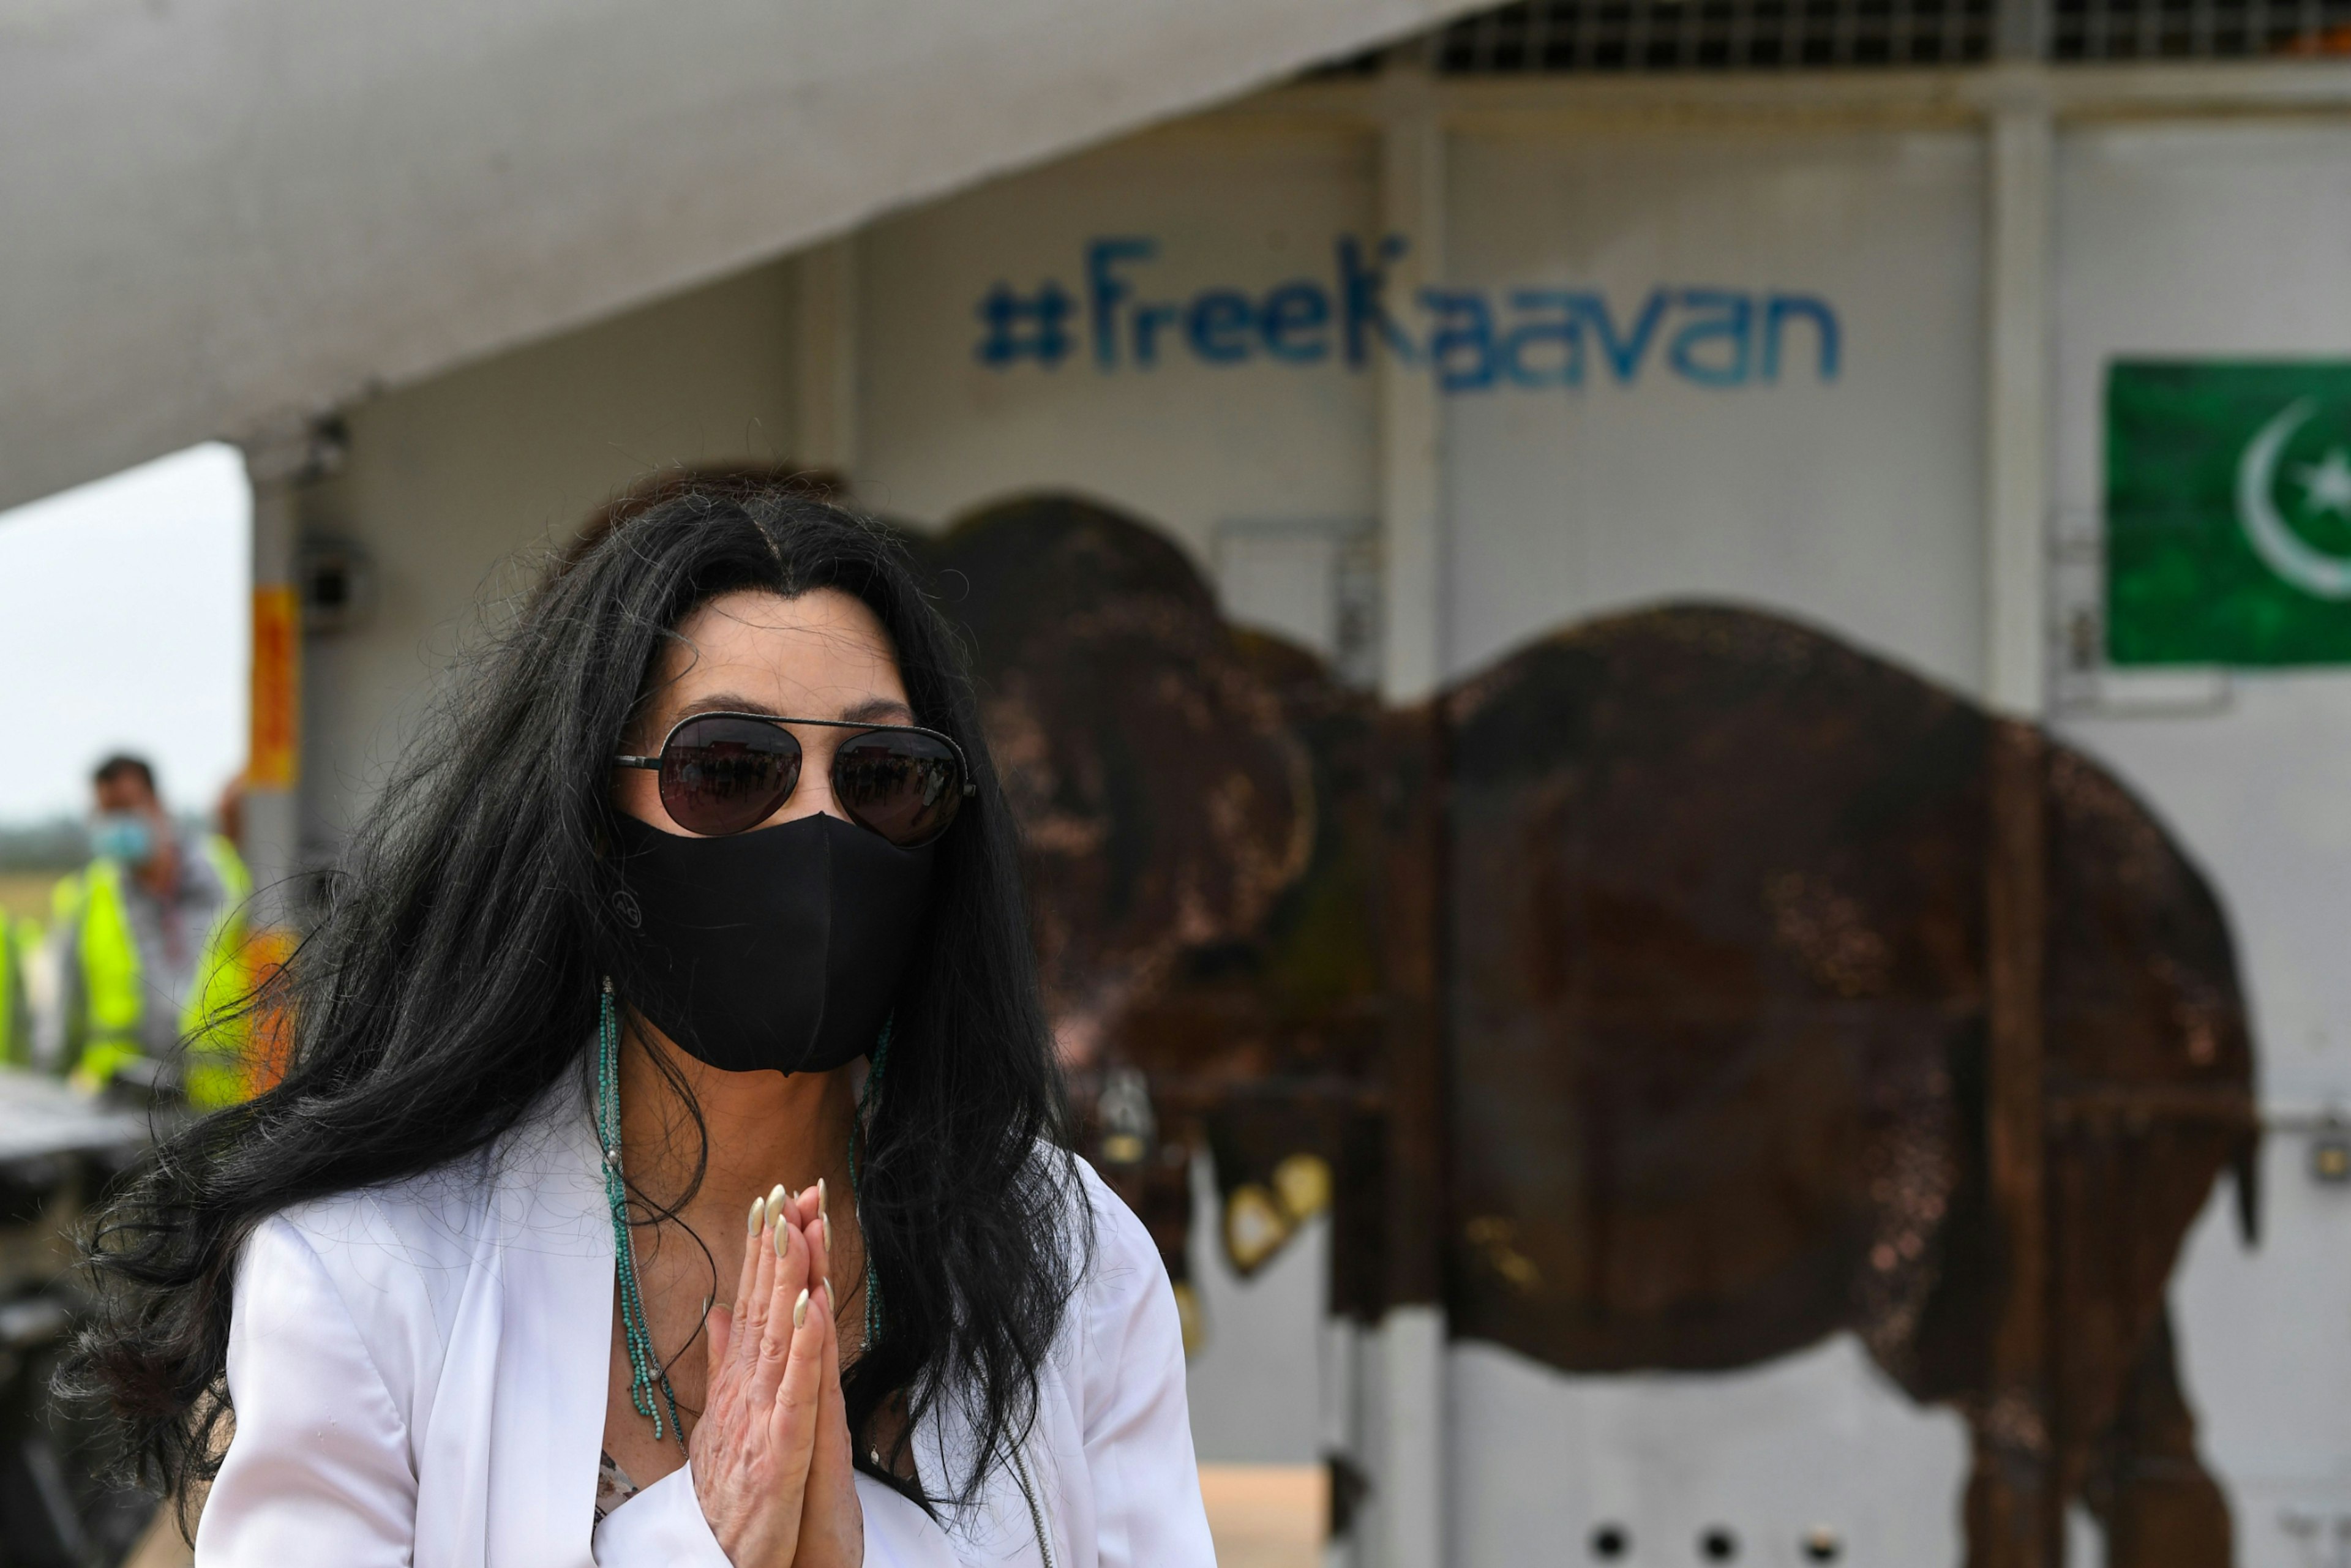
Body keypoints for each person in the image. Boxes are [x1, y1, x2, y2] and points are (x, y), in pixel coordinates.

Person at [70, 484, 1214, 1567]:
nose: (819, 825)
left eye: (880, 776)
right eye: (729, 769)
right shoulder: (368, 1269)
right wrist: (696, 1537)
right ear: (592, 830)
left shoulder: (1076, 1259)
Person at [51, 755, 252, 1105]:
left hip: (219, 1106)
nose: (116, 824)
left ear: (158, 805)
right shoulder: (87, 897)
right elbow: (63, 1019)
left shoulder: (231, 876)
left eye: (126, 808)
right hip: (123, 1110)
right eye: (106, 813)